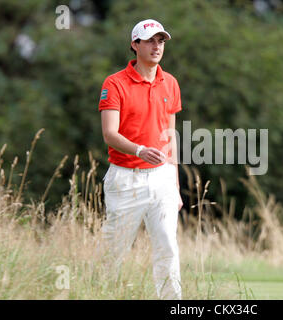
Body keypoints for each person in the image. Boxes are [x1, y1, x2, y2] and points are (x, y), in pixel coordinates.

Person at [98, 19, 183, 300]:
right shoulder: (115, 83)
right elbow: (110, 134)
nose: (156, 46)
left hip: (162, 178)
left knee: (168, 247)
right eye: (149, 41)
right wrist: (138, 150)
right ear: (135, 45)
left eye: (161, 41)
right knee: (113, 252)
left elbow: (170, 135)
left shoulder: (170, 83)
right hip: (125, 178)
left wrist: (176, 186)